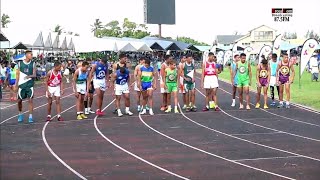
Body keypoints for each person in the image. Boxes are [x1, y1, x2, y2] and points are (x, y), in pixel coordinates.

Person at [14, 50, 37, 123]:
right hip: (21, 85)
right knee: (19, 101)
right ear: (26, 55)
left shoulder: (33, 64)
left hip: (29, 85)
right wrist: (16, 85)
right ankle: (20, 114)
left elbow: (34, 75)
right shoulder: (19, 64)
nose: (32, 55)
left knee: (30, 100)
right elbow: (17, 75)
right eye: (31, 54)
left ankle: (30, 116)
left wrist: (29, 76)